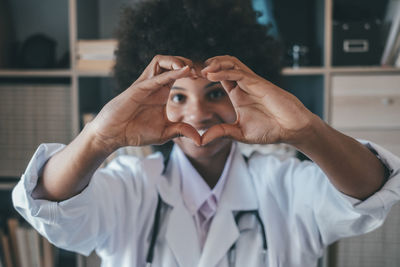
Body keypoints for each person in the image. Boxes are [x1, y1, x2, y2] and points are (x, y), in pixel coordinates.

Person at [12, 0, 400, 267]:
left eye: (216, 92)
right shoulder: (129, 187)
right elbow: (51, 207)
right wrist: (99, 138)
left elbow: (370, 192)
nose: (197, 113)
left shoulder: (284, 184)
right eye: (177, 95)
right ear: (152, 100)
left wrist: (307, 130)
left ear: (243, 93)